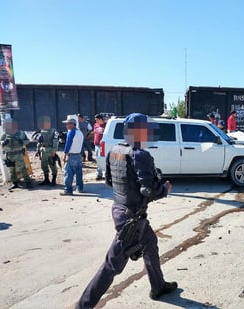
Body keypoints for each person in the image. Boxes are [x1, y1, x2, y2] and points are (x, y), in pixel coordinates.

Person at [75, 113, 177, 308]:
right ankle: (83, 305)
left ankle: (158, 286)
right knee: (112, 265)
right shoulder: (140, 154)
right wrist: (164, 189)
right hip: (132, 218)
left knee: (150, 243)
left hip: (120, 210)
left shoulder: (115, 150)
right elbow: (148, 191)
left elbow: (108, 181)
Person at [0, 118, 32, 190]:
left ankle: (27, 182)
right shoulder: (5, 134)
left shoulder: (20, 133)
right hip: (9, 154)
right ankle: (15, 183)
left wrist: (22, 142)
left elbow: (27, 141)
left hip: (18, 154)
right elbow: (0, 141)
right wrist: (3, 142)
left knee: (23, 168)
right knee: (11, 170)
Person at [60, 117, 84, 195]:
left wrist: (65, 154)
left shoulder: (71, 132)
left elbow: (68, 144)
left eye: (67, 124)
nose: (66, 125)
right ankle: (80, 188)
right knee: (79, 173)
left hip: (72, 155)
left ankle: (68, 190)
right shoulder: (80, 132)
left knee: (68, 173)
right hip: (78, 155)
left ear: (72, 124)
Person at [36, 116, 59, 186]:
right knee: (44, 165)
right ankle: (46, 180)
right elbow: (40, 142)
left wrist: (54, 151)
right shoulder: (42, 131)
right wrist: (38, 151)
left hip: (50, 150)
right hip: (43, 150)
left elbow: (56, 141)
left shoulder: (54, 131)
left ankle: (54, 180)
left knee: (52, 165)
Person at [93, 113, 106, 180]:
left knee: (104, 159)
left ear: (100, 119)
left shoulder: (106, 125)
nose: (96, 121)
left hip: (103, 145)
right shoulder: (95, 125)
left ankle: (107, 174)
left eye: (97, 120)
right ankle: (99, 174)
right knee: (98, 159)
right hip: (97, 145)